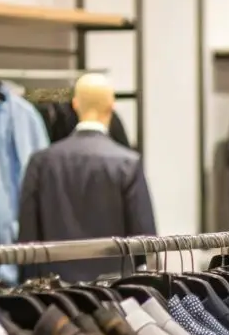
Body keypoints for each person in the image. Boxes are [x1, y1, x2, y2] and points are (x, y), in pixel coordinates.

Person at [17, 73, 157, 281]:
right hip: (114, 292)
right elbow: (145, 242)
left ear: (74, 104)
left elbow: (27, 239)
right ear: (111, 105)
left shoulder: (41, 162)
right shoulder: (127, 164)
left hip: (54, 295)